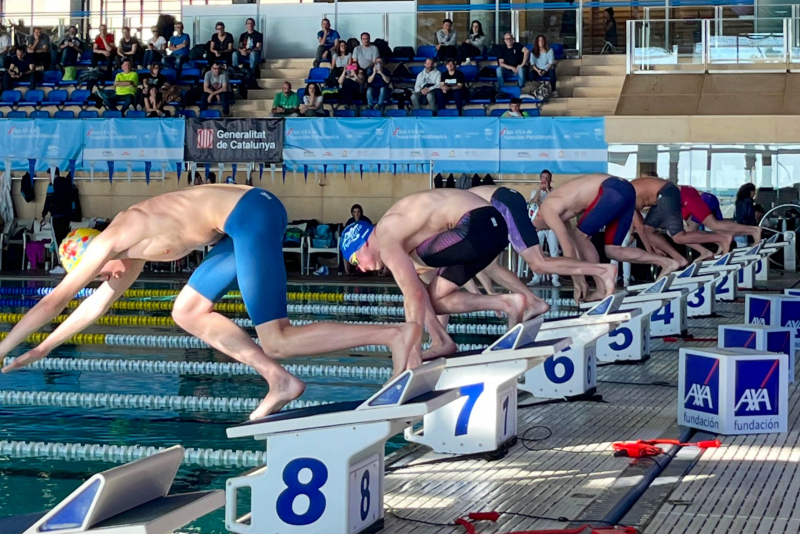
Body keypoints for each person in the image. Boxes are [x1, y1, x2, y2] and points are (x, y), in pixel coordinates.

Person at [0, 185, 422, 420]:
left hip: (251, 214)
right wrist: (42, 347)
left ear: (92, 258)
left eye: (97, 275)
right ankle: (280, 381)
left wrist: (5, 347)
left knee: (277, 338)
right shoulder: (125, 259)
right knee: (185, 311)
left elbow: (55, 301)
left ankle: (393, 333)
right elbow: (96, 307)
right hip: (241, 222)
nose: (104, 281)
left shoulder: (116, 237)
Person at [342, 189, 549, 360]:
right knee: (433, 298)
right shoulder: (401, 231)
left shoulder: (386, 236)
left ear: (365, 242)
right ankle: (508, 303)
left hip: (475, 225)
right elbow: (423, 293)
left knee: (414, 285)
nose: (359, 268)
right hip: (490, 229)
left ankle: (439, 341)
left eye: (355, 259)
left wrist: (411, 356)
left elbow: (413, 295)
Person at [534, 174, 682, 301]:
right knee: (613, 250)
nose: (540, 229)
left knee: (581, 237)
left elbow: (568, 249)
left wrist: (579, 283)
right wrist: (579, 279)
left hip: (612, 189)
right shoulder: (559, 208)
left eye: (535, 227)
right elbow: (572, 246)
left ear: (537, 216)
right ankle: (667, 262)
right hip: (625, 190)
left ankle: (600, 288)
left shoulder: (547, 208)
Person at [470, 184, 617, 302]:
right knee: (489, 265)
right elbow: (468, 266)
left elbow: (569, 247)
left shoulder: (550, 210)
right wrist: (488, 292)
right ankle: (533, 302)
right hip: (500, 202)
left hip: (500, 203)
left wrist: (579, 281)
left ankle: (603, 270)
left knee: (538, 263)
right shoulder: (457, 206)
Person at [631, 176, 732, 265]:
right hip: (663, 194)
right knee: (649, 229)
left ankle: (722, 238)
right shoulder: (627, 197)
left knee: (678, 236)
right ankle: (679, 260)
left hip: (667, 193)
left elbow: (639, 226)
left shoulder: (625, 199)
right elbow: (643, 228)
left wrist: (651, 254)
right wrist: (652, 248)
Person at [681, 185, 762, 245]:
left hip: (704, 200)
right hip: (710, 198)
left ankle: (753, 230)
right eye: (753, 191)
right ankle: (721, 242)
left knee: (689, 235)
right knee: (718, 228)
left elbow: (744, 215)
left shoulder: (744, 200)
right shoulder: (745, 201)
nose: (754, 194)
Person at [529, 170, 565, 287]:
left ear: (550, 179)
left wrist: (548, 192)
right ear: (540, 178)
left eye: (547, 178)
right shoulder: (535, 191)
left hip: (551, 226)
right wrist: (539, 191)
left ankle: (555, 278)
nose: (545, 180)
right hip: (539, 227)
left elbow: (556, 206)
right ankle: (536, 277)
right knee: (536, 251)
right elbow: (532, 205)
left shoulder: (554, 192)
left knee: (554, 251)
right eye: (543, 177)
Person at [343, 204, 372, 276]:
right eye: (354, 212)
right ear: (352, 213)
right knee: (344, 249)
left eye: (358, 212)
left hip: (364, 243)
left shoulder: (366, 220)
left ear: (361, 212)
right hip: (353, 243)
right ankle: (347, 270)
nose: (356, 214)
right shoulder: (350, 221)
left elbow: (370, 232)